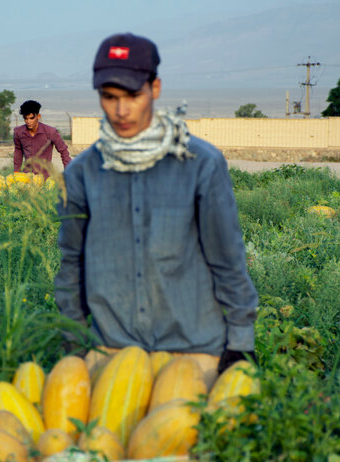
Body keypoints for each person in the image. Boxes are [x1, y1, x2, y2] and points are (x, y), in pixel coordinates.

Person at [54, 33, 258, 387]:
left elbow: (228, 260)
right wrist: (74, 343)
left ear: (155, 88)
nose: (121, 111)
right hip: (111, 353)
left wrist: (240, 343)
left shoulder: (200, 164)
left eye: (133, 95)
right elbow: (71, 264)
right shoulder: (81, 173)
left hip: (194, 353)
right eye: (109, 97)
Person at [13, 100, 71, 179]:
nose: (28, 121)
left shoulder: (50, 132)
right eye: (26, 118)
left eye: (31, 118)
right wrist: (16, 173)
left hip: (46, 178)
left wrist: (68, 172)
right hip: (27, 177)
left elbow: (63, 151)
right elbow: (18, 151)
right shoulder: (18, 132)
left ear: (38, 116)